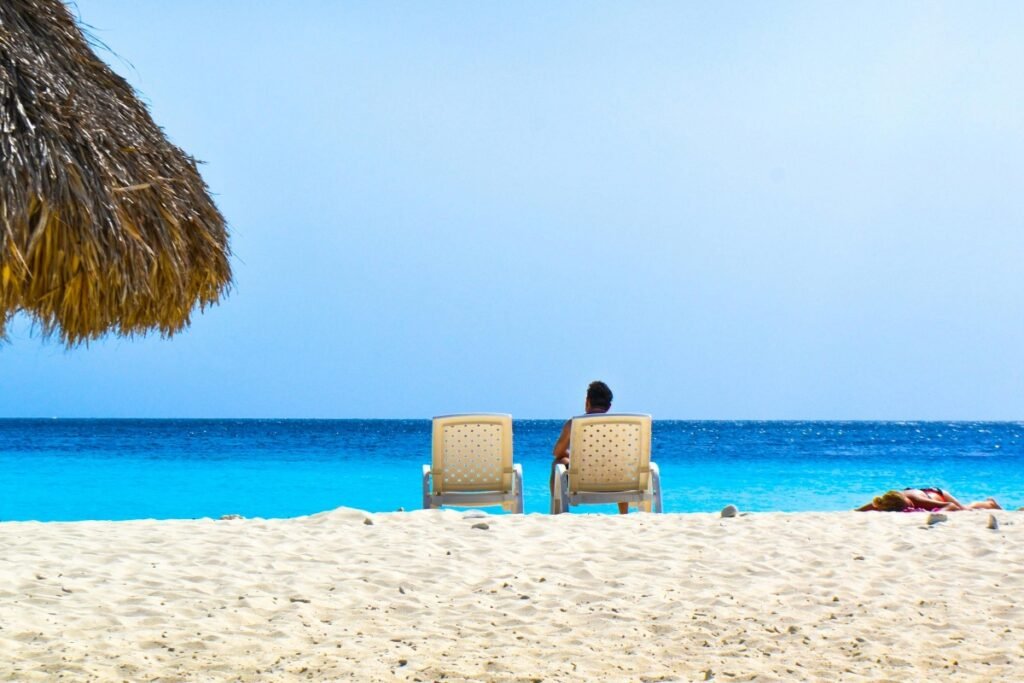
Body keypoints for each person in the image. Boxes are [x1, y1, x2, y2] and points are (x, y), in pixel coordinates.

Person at [551, 380, 630, 514]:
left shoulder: (573, 424)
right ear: (609, 406)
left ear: (587, 401)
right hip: (615, 482)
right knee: (620, 464)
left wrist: (572, 457)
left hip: (581, 482)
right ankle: (623, 514)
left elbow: (557, 452)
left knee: (558, 462)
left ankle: (558, 513)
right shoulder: (621, 427)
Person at [856, 487, 1002, 512]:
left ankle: (989, 503)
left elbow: (950, 505)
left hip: (937, 493)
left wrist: (938, 513)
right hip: (921, 491)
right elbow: (863, 509)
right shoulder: (886, 500)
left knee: (965, 510)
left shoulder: (917, 500)